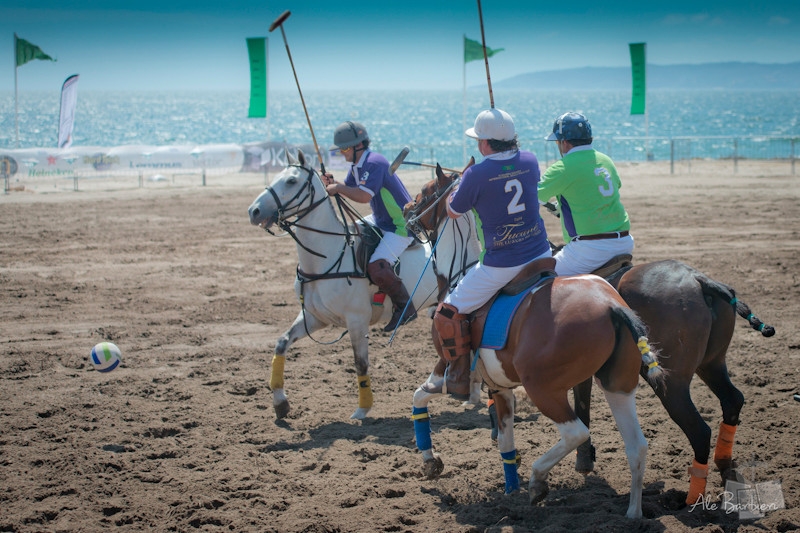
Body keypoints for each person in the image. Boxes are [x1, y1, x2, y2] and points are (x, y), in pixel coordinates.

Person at [428, 108, 552, 399]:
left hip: (503, 264)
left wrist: (462, 184)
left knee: (447, 311)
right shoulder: (530, 159)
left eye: (478, 140)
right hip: (541, 252)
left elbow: (453, 211)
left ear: (484, 143)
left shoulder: (475, 174)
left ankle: (459, 375)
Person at [321, 120, 417, 332]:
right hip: (381, 220)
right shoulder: (357, 165)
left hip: (400, 224)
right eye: (340, 150)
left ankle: (405, 307)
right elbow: (350, 188)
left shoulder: (374, 163)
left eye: (344, 149)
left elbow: (363, 196)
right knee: (349, 236)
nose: (342, 154)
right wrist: (334, 182)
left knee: (376, 266)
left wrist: (338, 188)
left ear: (358, 145)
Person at [538, 112, 634, 276]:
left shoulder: (561, 167)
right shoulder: (606, 160)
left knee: (541, 277)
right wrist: (561, 208)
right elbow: (601, 193)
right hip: (624, 243)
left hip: (590, 250)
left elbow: (531, 199)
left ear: (564, 142)